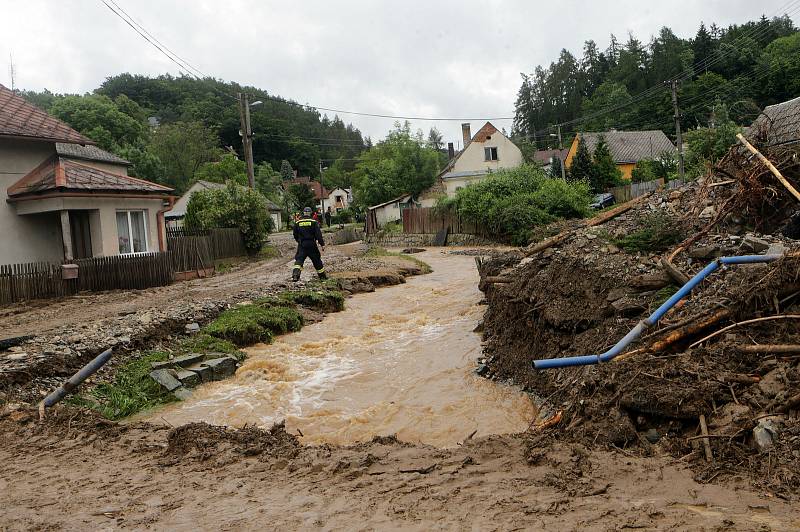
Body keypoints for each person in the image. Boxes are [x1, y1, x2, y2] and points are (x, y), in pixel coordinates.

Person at [292, 206, 327, 281]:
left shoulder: (297, 222)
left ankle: (295, 275)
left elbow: (295, 234)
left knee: (299, 260)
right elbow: (318, 235)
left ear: (303, 213)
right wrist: (322, 244)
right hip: (311, 244)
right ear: (310, 213)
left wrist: (299, 241)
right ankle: (322, 277)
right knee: (316, 260)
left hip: (302, 244)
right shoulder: (313, 222)